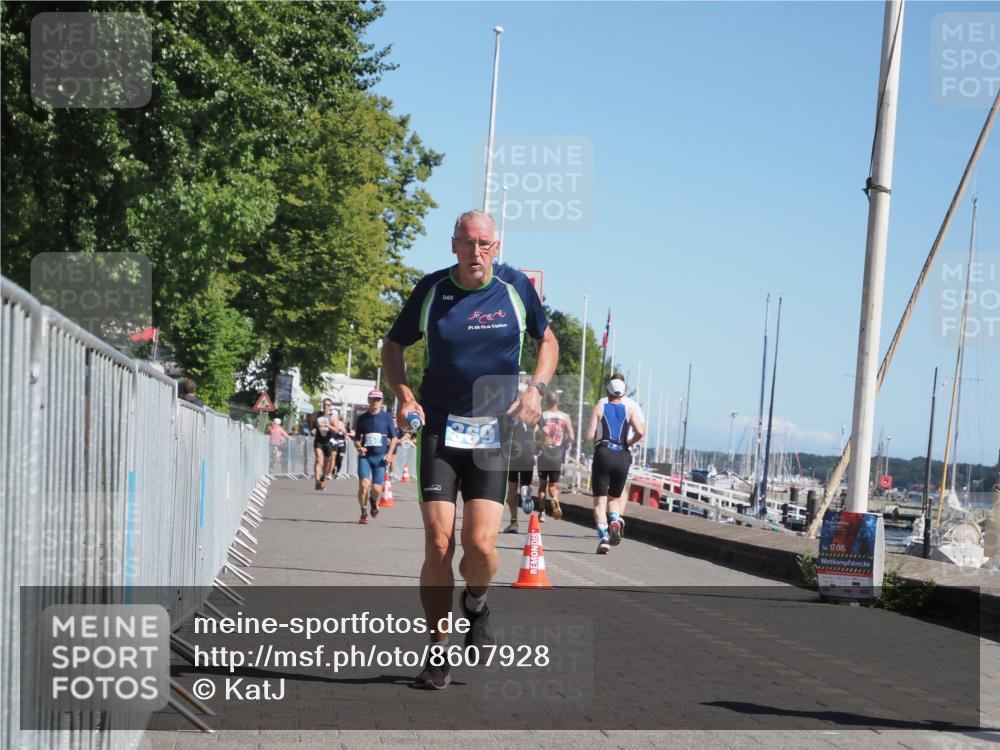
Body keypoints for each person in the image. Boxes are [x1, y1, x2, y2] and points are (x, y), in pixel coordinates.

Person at [382, 209, 558, 689]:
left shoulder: (516, 289)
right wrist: (405, 396)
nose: (476, 252)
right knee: (439, 543)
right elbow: (392, 347)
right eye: (467, 243)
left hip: (492, 432)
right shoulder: (433, 290)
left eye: (485, 244)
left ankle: (476, 603)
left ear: (496, 248)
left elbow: (547, 342)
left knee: (480, 545)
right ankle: (437, 650)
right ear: (453, 245)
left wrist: (536, 389)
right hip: (439, 428)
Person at [587, 376, 645, 554]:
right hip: (622, 455)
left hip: (603, 453)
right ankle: (614, 518)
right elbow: (641, 431)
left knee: (599, 501)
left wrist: (594, 437)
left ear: (607, 391)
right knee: (614, 497)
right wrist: (629, 442)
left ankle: (604, 537)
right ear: (624, 393)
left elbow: (589, 435)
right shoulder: (629, 410)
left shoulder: (599, 407)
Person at [353, 390, 398, 524]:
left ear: (381, 401)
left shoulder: (387, 418)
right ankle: (363, 512)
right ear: (368, 400)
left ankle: (373, 501)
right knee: (363, 485)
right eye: (373, 399)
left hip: (380, 458)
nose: (375, 402)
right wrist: (359, 447)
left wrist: (389, 454)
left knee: (377, 489)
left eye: (378, 399)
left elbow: (394, 438)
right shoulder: (362, 418)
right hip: (365, 457)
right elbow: (356, 439)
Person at [502, 383, 539, 533]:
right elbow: (545, 430)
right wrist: (540, 445)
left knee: (511, 490)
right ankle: (526, 493)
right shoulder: (534, 412)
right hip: (528, 453)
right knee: (525, 484)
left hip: (513, 453)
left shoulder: (511, 411)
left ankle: (514, 523)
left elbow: (504, 424)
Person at [536, 391, 575, 521]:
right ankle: (555, 498)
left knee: (542, 486)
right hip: (556, 453)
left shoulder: (542, 416)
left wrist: (538, 445)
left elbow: (535, 432)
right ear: (557, 401)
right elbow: (571, 437)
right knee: (552, 486)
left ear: (547, 402)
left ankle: (542, 513)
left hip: (544, 451)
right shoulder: (565, 417)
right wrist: (563, 441)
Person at [311, 398, 345, 490]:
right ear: (322, 404)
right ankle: (317, 481)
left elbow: (336, 430)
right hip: (318, 440)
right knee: (318, 459)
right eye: (325, 404)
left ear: (331, 406)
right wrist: (313, 429)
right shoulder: (317, 414)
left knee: (327, 461)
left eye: (328, 405)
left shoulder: (333, 416)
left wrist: (327, 425)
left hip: (328, 441)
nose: (326, 406)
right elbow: (312, 426)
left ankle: (323, 478)